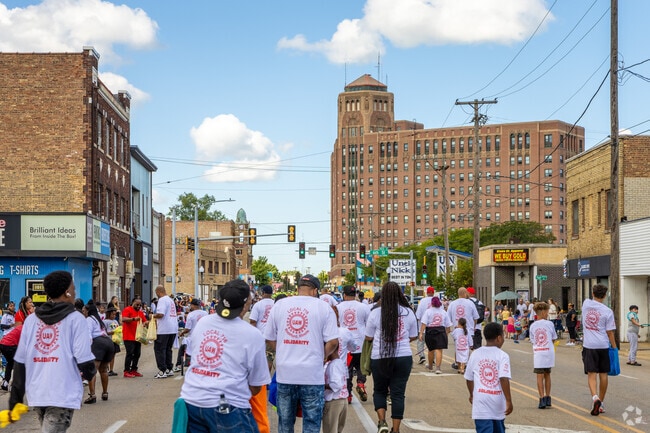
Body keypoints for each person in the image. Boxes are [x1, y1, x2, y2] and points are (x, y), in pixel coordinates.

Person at [178, 279, 270, 433]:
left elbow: (194, 358)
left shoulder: (202, 323)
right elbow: (256, 387)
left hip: (192, 402)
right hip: (228, 407)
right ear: (246, 304)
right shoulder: (253, 335)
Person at [10, 270, 96, 432]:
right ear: (67, 292)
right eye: (74, 288)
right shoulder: (76, 319)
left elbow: (20, 361)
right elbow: (84, 358)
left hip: (38, 392)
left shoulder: (31, 320)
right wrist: (90, 373)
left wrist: (15, 398)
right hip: (62, 392)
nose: (75, 291)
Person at [264, 274, 338, 433]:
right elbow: (333, 342)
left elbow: (269, 337)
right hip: (312, 374)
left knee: (285, 423)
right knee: (311, 424)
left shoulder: (280, 305)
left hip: (285, 373)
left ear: (298, 288)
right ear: (315, 290)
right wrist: (322, 355)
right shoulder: (324, 307)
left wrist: (282, 350)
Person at [365, 281, 418, 433]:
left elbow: (368, 337)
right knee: (398, 394)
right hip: (403, 357)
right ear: (400, 295)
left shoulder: (375, 313)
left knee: (380, 390)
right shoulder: (408, 312)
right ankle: (396, 429)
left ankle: (382, 422)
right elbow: (413, 336)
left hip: (380, 356)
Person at [464, 322, 513, 433]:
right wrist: (509, 400)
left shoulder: (475, 353)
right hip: (497, 403)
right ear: (499, 338)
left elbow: (469, 378)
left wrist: (472, 395)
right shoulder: (503, 355)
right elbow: (504, 378)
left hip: (481, 402)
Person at [581, 284, 616, 416]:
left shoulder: (586, 304)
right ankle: (600, 402)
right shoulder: (607, 311)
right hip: (603, 345)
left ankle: (594, 397)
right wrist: (614, 347)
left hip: (589, 345)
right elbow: (610, 332)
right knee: (603, 374)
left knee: (591, 374)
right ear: (605, 296)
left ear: (593, 293)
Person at [336, 285, 370, 403]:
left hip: (344, 344)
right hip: (360, 342)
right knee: (361, 367)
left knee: (347, 369)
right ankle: (360, 383)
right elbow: (369, 324)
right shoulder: (363, 307)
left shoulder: (338, 308)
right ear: (355, 294)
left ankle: (348, 394)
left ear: (344, 295)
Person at [82, 300, 115, 404]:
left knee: (92, 370)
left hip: (98, 343)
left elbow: (88, 335)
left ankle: (92, 395)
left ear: (88, 311)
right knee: (104, 370)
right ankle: (105, 393)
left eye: (84, 310)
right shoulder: (99, 320)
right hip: (108, 343)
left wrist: (87, 348)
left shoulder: (89, 320)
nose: (83, 312)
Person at [529, 302, 557, 409]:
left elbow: (532, 340)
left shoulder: (533, 326)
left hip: (538, 352)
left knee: (539, 376)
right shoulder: (549, 324)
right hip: (548, 351)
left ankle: (541, 398)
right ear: (544, 312)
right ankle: (547, 396)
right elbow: (553, 337)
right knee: (547, 374)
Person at [419, 296, 452, 373]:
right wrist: (446, 333)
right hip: (441, 331)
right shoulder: (443, 312)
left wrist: (421, 333)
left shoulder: (428, 311)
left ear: (432, 303)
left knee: (431, 350)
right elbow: (448, 325)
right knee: (439, 350)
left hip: (430, 331)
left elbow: (424, 323)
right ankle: (438, 368)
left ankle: (430, 366)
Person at [152, 285, 178, 378]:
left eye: (156, 293)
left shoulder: (162, 300)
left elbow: (161, 314)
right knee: (168, 349)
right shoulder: (170, 300)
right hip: (173, 328)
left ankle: (162, 370)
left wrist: (152, 316)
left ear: (158, 292)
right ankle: (169, 369)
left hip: (163, 329)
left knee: (159, 349)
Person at [176, 298, 207, 371]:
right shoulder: (205, 313)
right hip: (204, 337)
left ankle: (179, 364)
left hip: (193, 338)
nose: (190, 306)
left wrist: (182, 333)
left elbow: (187, 329)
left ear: (193, 305)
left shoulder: (191, 315)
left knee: (183, 346)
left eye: (191, 305)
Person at [322, 350, 348, 433]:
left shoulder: (333, 365)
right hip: (343, 400)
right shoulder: (340, 363)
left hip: (333, 402)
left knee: (330, 430)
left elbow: (336, 385)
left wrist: (321, 386)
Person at [121, 297, 148, 377]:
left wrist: (146, 322)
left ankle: (133, 370)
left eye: (140, 305)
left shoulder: (140, 313)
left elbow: (144, 320)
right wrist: (133, 319)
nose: (138, 306)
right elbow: (124, 319)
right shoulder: (127, 309)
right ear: (133, 303)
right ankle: (126, 371)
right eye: (137, 304)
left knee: (137, 354)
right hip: (128, 336)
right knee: (130, 354)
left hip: (138, 337)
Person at [415, 286, 436, 364]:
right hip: (434, 326)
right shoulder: (437, 301)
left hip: (423, 326)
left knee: (420, 342)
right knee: (432, 344)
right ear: (433, 293)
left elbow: (418, 315)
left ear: (427, 293)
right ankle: (432, 359)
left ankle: (422, 356)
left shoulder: (422, 301)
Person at [0, 324, 21, 391]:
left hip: (2, 344)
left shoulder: (20, 327)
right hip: (10, 345)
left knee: (10, 363)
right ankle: (14, 386)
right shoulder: (27, 329)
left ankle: (5, 383)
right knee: (18, 364)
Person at [103, 305, 120, 376]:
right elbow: (103, 332)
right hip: (108, 340)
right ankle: (105, 368)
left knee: (113, 355)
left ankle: (111, 369)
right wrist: (111, 332)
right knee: (107, 355)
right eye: (112, 314)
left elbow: (118, 329)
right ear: (108, 314)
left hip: (115, 340)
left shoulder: (116, 321)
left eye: (115, 314)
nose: (114, 316)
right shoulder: (105, 321)